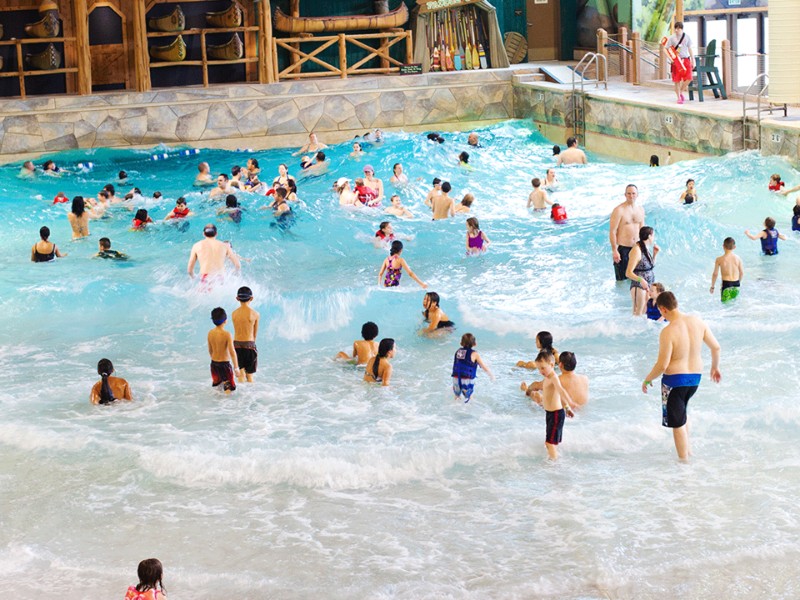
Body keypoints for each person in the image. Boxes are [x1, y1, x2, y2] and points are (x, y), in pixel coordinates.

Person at [642, 291, 721, 460]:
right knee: (682, 413)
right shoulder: (698, 321)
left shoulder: (668, 331)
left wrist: (648, 379)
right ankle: (688, 451)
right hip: (695, 380)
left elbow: (662, 365)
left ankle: (684, 464)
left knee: (677, 423)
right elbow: (716, 347)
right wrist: (714, 368)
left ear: (663, 309)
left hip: (674, 382)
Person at [534, 351, 575, 460]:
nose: (540, 371)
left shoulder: (553, 377)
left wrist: (570, 402)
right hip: (551, 414)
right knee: (550, 442)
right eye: (539, 368)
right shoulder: (547, 376)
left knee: (549, 443)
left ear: (552, 365)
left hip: (556, 414)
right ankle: (554, 457)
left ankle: (554, 465)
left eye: (543, 368)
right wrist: (567, 408)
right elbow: (557, 396)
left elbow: (561, 391)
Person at [521, 351, 589, 409]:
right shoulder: (585, 378)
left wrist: (527, 390)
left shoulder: (556, 379)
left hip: (562, 410)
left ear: (560, 365)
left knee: (536, 394)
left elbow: (535, 385)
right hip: (579, 410)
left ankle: (525, 389)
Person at [609, 184, 645, 282]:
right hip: (623, 249)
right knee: (621, 280)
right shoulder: (619, 210)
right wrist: (614, 251)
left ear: (637, 195)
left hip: (637, 248)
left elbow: (642, 230)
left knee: (636, 279)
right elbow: (612, 231)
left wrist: (644, 247)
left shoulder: (641, 209)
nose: (631, 196)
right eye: (628, 193)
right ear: (625, 194)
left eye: (633, 193)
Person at [451, 333, 494, 403]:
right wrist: (491, 375)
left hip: (456, 378)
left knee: (457, 396)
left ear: (461, 343)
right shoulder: (474, 354)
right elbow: (483, 366)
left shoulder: (458, 351)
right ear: (475, 344)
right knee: (469, 398)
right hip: (467, 380)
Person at [232, 286, 259, 383]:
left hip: (236, 345)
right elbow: (254, 334)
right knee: (250, 375)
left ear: (237, 298)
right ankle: (250, 396)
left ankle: (241, 395)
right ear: (251, 298)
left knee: (241, 373)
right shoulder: (255, 314)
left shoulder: (234, 314)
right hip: (249, 345)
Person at [208, 307, 238, 393]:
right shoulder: (227, 334)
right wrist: (236, 368)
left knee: (217, 387)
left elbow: (210, 350)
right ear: (225, 320)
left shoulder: (210, 333)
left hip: (214, 364)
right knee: (228, 388)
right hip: (224, 365)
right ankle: (227, 406)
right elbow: (232, 352)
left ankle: (218, 405)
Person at [668, 22, 695, 104]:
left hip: (686, 59)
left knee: (689, 77)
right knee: (677, 80)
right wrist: (671, 59)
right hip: (676, 61)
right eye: (675, 28)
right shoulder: (672, 38)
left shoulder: (687, 37)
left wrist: (692, 60)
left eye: (678, 28)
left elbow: (690, 49)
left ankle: (681, 92)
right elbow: (667, 49)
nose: (676, 30)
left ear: (682, 29)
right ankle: (679, 97)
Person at [710, 237, 744, 302]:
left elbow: (715, 274)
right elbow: (741, 273)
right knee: (734, 305)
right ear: (734, 247)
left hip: (726, 285)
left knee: (725, 306)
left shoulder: (719, 259)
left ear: (723, 246)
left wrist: (712, 286)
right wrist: (738, 282)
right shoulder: (738, 258)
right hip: (736, 285)